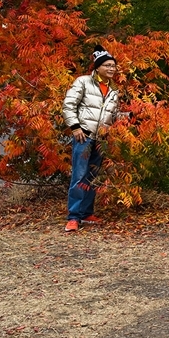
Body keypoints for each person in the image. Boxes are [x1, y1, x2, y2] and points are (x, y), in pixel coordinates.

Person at [63, 46, 121, 232]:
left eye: (113, 66)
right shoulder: (83, 82)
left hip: (101, 139)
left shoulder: (113, 90)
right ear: (97, 67)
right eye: (107, 65)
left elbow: (114, 115)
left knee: (92, 177)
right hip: (84, 136)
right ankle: (73, 217)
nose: (111, 69)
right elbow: (68, 105)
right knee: (79, 176)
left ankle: (87, 213)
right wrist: (75, 127)